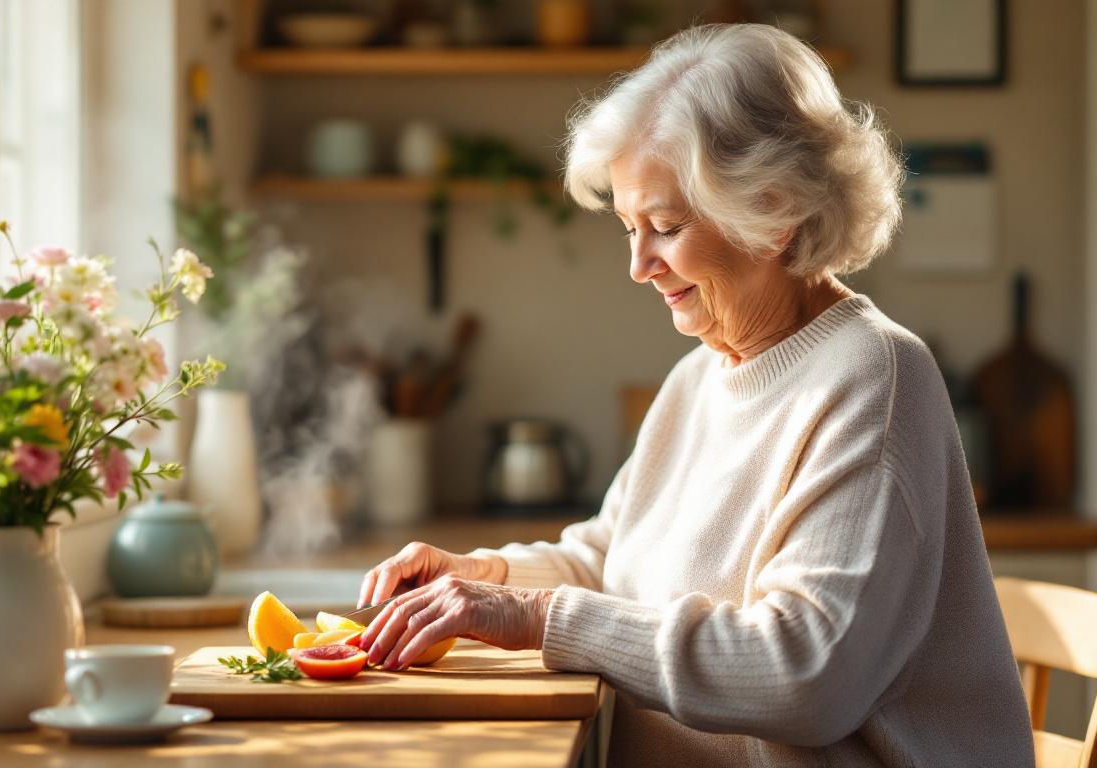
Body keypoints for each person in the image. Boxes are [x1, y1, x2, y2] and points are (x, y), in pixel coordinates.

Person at [356, 23, 1034, 767]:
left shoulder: (874, 378)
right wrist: (485, 579)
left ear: (773, 214)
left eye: (666, 227)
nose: (638, 265)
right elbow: (613, 561)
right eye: (629, 228)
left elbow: (804, 673)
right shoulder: (701, 376)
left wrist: (536, 616)